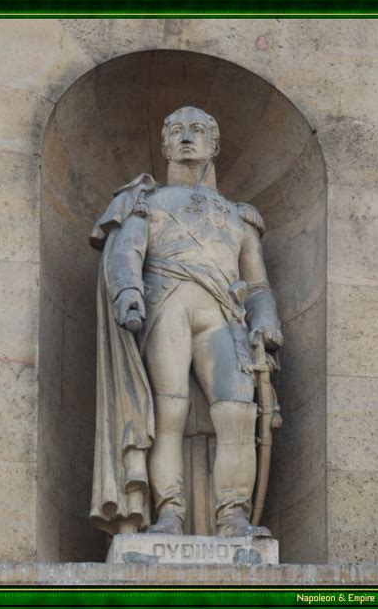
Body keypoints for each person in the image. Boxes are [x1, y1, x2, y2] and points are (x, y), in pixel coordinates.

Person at [89, 106, 282, 537]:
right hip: (167, 307)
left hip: (222, 315)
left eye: (197, 130)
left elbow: (258, 285)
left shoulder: (239, 216)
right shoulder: (146, 201)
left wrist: (267, 321)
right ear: (164, 145)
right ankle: (170, 513)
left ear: (215, 144)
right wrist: (127, 293)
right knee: (168, 412)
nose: (186, 138)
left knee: (238, 415)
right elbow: (126, 253)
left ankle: (233, 516)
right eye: (176, 131)